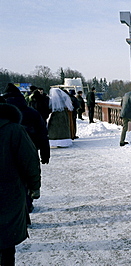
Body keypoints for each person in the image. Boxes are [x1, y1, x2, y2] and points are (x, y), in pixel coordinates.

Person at [0, 103, 41, 265]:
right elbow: (29, 161)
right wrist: (34, 186)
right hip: (8, 193)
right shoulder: (15, 131)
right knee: (7, 241)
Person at [3, 83, 49, 214]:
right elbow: (42, 134)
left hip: (6, 154)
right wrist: (45, 153)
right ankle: (27, 205)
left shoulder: (4, 115)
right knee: (27, 178)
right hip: (30, 150)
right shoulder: (32, 113)